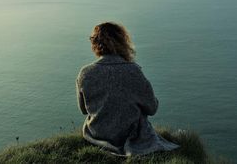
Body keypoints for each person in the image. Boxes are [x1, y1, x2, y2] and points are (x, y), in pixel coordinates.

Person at [76, 22, 179, 156]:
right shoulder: (133, 71)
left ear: (95, 44)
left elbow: (84, 110)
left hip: (97, 134)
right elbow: (152, 108)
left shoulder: (85, 73)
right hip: (129, 135)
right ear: (123, 42)